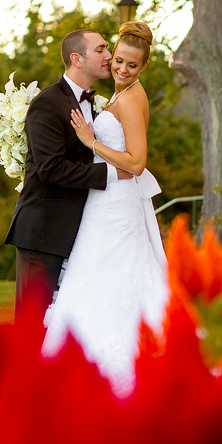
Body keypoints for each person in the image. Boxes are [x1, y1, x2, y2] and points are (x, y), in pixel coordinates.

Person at [40, 21, 169, 397]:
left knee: (120, 275)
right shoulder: (116, 94)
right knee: (93, 274)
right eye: (120, 61)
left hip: (117, 205)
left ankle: (125, 363)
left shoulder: (131, 98)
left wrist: (90, 142)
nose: (123, 69)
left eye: (133, 65)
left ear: (143, 67)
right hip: (102, 201)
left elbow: (137, 162)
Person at [4, 29, 134, 321]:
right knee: (32, 327)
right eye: (100, 50)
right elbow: (51, 169)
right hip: (44, 233)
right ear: (77, 59)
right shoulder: (48, 103)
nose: (109, 56)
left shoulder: (95, 103)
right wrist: (113, 173)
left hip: (83, 232)